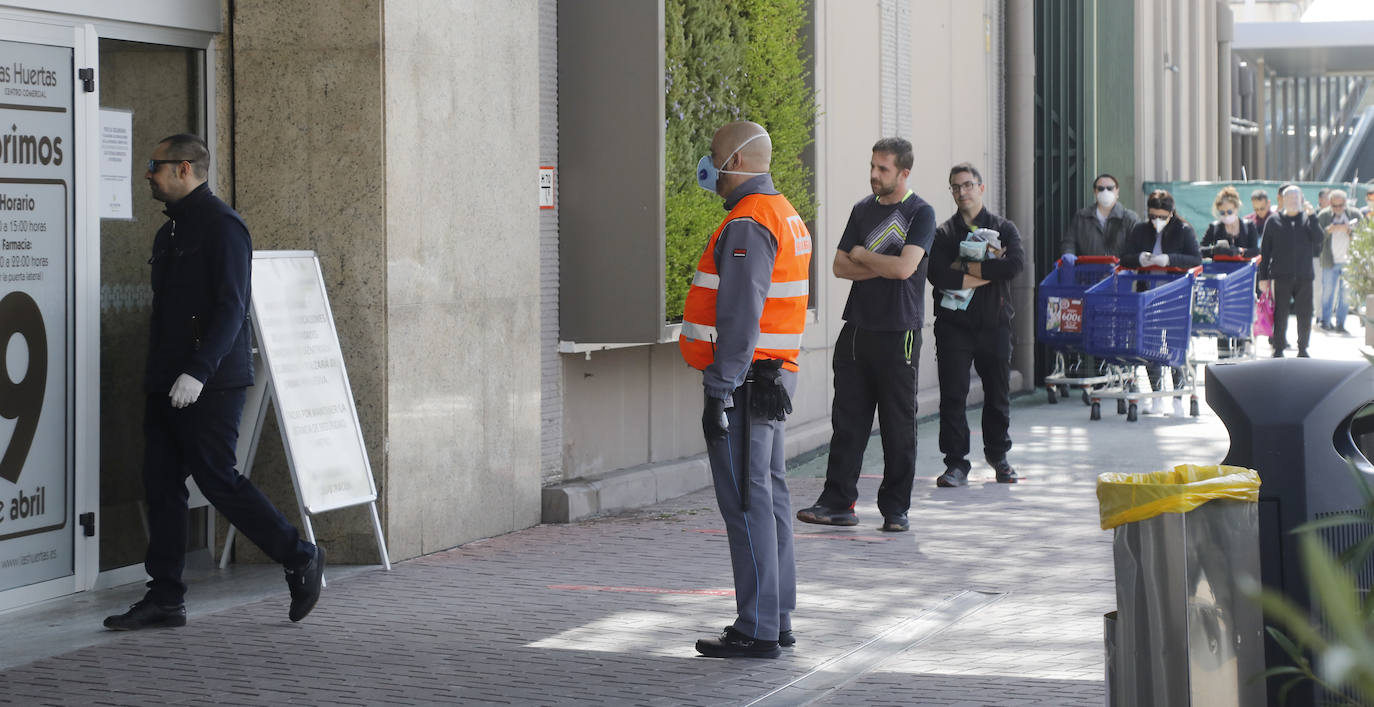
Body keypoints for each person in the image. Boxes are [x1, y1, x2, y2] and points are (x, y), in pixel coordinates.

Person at [103, 134, 325, 631]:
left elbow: (231, 308)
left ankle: (299, 555)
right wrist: (164, 376)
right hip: (166, 382)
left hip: (210, 384)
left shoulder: (222, 226)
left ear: (184, 169)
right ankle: (165, 597)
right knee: (160, 485)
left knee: (216, 478)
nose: (147, 175)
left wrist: (199, 371)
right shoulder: (171, 233)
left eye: (154, 166)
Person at [679, 121, 811, 659]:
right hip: (772, 379)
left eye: (713, 156)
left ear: (736, 160)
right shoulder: (784, 213)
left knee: (747, 503)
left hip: (746, 383)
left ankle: (756, 627)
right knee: (771, 499)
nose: (709, 167)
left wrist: (717, 393)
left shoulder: (748, 222)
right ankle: (775, 618)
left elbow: (739, 319)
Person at [794, 138, 933, 533]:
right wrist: (880, 263)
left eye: (883, 169)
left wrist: (863, 255)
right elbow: (839, 266)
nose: (874, 174)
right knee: (848, 422)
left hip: (899, 332)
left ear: (904, 173)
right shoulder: (861, 210)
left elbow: (905, 269)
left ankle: (895, 510)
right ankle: (837, 503)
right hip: (856, 330)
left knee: (897, 425)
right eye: (872, 166)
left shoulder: (921, 213)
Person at [927, 163, 1024, 487]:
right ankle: (956, 464)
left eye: (968, 185)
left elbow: (1014, 265)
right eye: (956, 187)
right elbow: (938, 275)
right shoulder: (944, 233)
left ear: (980, 188)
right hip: (953, 326)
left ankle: (999, 457)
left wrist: (965, 269)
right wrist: (986, 269)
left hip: (994, 323)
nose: (962, 192)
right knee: (953, 395)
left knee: (998, 394)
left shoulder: (1004, 228)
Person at [1119, 189, 1202, 416]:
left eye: (1162, 216)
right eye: (1153, 216)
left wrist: (1170, 259)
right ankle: (1156, 396)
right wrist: (1140, 258)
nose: (1157, 221)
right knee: (1152, 348)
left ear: (1171, 213)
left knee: (1175, 347)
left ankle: (1177, 397)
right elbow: (1124, 257)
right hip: (1149, 297)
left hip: (1175, 298)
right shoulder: (1140, 230)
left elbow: (1195, 259)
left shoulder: (1183, 230)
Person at [1259, 183, 1324, 358]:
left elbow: (1319, 239)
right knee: (1280, 313)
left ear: (1301, 200)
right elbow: (1265, 251)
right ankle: (1278, 347)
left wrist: (1313, 217)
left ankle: (1303, 348)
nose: (1293, 201)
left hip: (1304, 276)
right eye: (1289, 198)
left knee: (1305, 313)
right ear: (1283, 200)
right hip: (1281, 276)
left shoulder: (1308, 219)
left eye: (1296, 198)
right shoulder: (1274, 221)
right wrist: (1263, 277)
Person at [1061, 173, 1139, 257]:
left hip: (1119, 268)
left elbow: (1137, 246)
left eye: (1110, 188)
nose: (1105, 192)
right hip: (1088, 268)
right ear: (1095, 192)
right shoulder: (1082, 217)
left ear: (1117, 191)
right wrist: (1068, 254)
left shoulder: (1129, 218)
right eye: (1101, 189)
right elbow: (1069, 241)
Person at [1317, 189, 1361, 333]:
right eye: (1334, 206)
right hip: (1330, 261)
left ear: (1345, 203)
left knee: (1346, 294)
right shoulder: (1323, 215)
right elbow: (1316, 238)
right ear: (1330, 204)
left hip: (1349, 261)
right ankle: (1325, 322)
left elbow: (1363, 236)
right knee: (1328, 292)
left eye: (1341, 205)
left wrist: (1349, 231)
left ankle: (1341, 324)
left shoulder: (1355, 214)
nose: (1338, 209)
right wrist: (1328, 231)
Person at [1200, 185, 1259, 258]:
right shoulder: (1214, 227)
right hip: (1220, 267)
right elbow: (1199, 250)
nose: (1226, 215)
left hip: (1244, 268)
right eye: (1222, 213)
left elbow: (1255, 251)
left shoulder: (1249, 226)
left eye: (1229, 212)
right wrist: (1213, 250)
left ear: (1236, 208)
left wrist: (1240, 251)